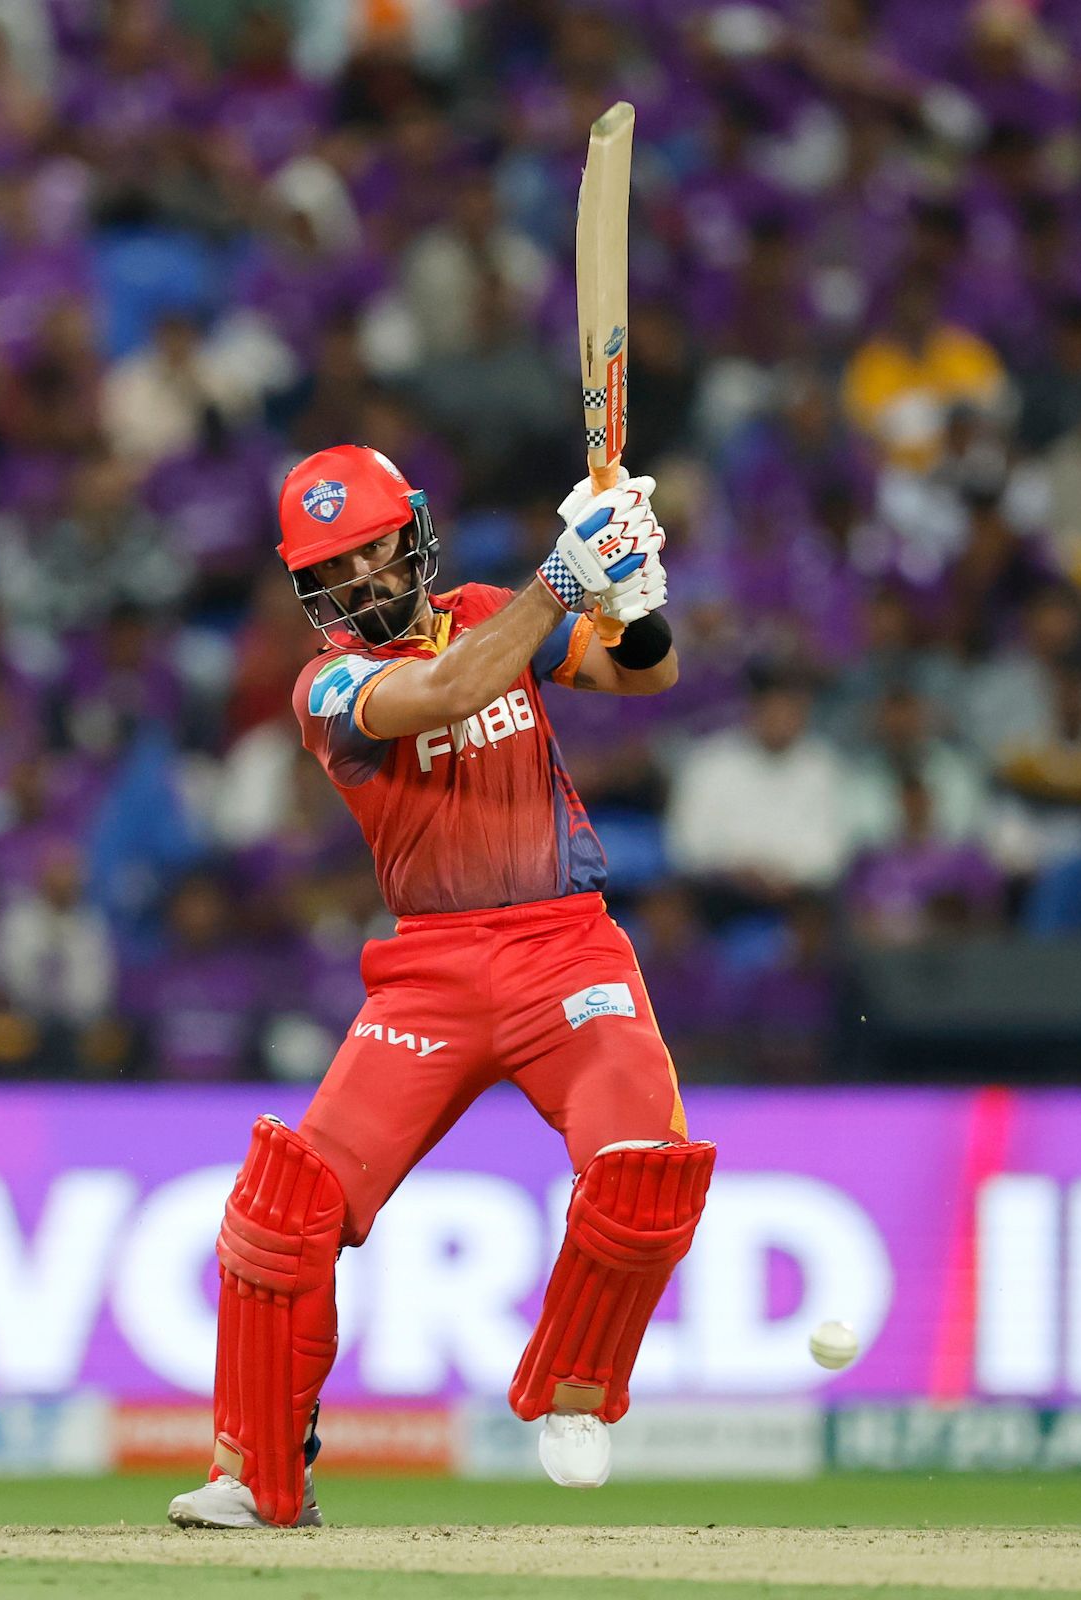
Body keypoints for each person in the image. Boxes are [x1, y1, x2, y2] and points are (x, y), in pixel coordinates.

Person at [168, 446, 714, 1529]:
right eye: (336, 569)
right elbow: (449, 687)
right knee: (286, 1209)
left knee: (640, 1172)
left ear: (411, 534)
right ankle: (259, 1472)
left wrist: (633, 592)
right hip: (433, 970)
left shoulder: (481, 607)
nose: (364, 580)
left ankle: (574, 1391)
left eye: (373, 551)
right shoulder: (325, 684)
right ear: (306, 586)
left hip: (568, 948)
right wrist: (564, 574)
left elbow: (645, 673)